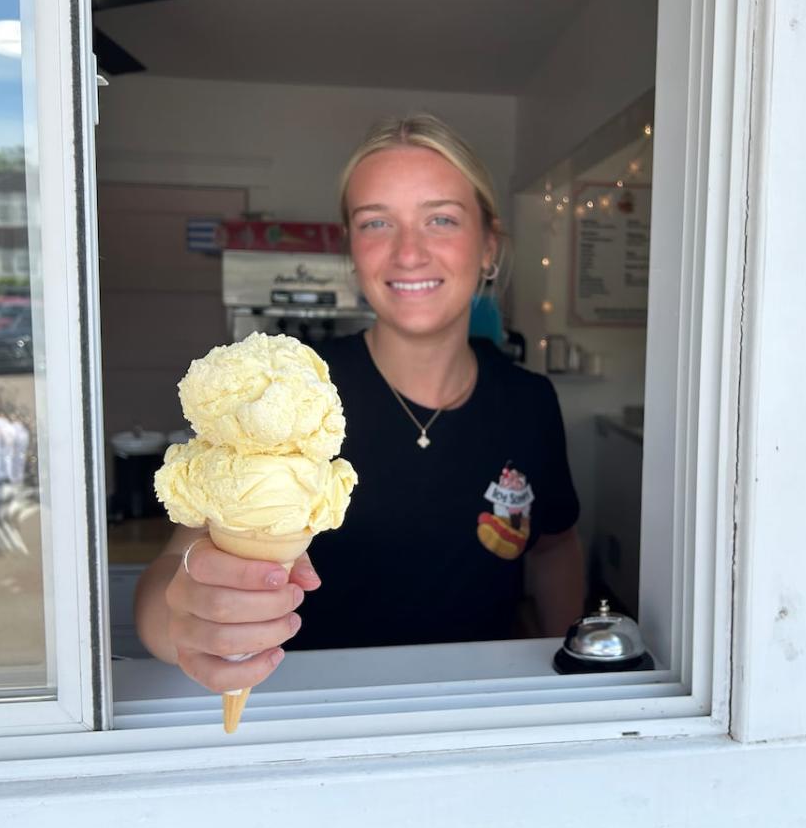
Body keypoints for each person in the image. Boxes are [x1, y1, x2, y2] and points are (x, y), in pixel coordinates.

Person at [134, 114, 586, 695]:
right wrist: (183, 620)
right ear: (353, 250)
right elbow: (172, 575)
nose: (409, 252)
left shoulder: (529, 401)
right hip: (314, 715)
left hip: (478, 711)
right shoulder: (291, 394)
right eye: (377, 223)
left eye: (441, 219)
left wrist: (566, 669)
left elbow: (554, 546)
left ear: (489, 246)